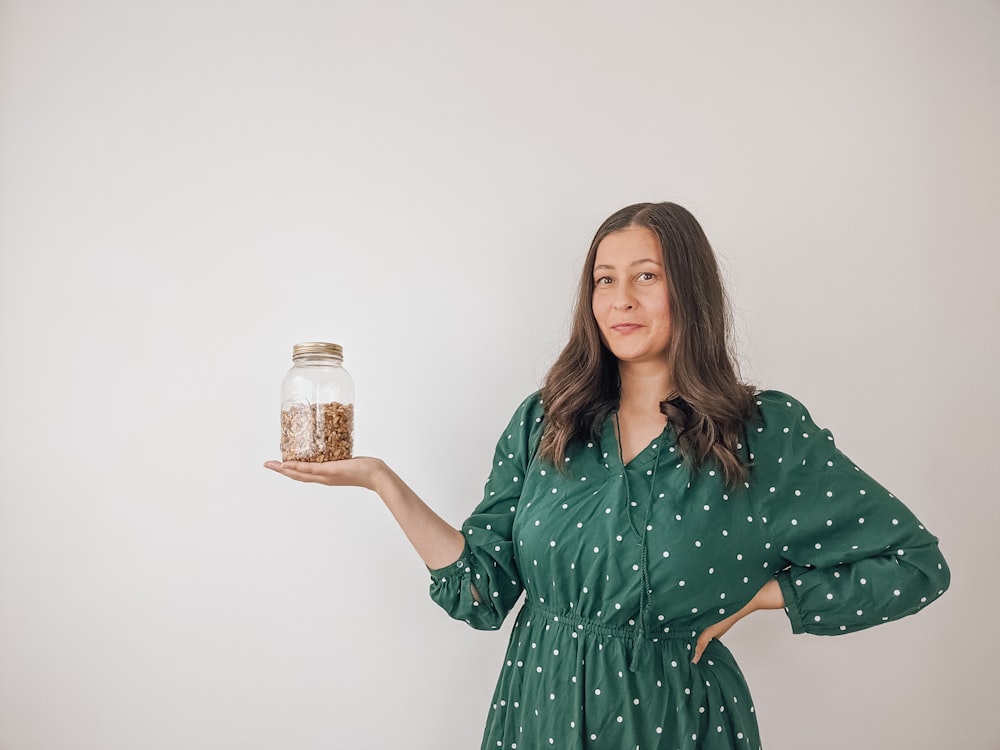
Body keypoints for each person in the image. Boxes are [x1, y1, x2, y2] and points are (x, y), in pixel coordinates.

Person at [264, 201, 950, 749]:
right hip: (536, 715)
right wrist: (383, 481)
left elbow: (917, 566)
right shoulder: (549, 421)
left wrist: (769, 597)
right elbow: (480, 591)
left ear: (690, 290)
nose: (621, 299)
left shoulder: (761, 433)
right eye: (604, 279)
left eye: (646, 276)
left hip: (674, 723)